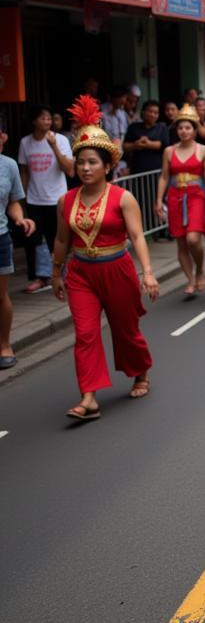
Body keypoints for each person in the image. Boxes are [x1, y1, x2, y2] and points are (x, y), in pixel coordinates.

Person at [51, 96, 159, 421]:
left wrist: (148, 273)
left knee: (125, 330)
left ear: (107, 166)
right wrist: (57, 272)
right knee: (85, 333)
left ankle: (139, 371)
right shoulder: (65, 201)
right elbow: (61, 239)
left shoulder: (123, 198)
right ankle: (89, 397)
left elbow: (138, 236)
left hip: (117, 270)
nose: (85, 168)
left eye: (92, 163)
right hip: (81, 273)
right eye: (81, 162)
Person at [155, 104, 205, 298]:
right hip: (174, 196)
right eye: (180, 128)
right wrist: (158, 201)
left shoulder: (204, 150)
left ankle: (199, 269)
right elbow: (164, 176)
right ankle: (190, 279)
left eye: (188, 127)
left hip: (196, 195)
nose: (184, 131)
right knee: (181, 242)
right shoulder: (169, 151)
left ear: (195, 129)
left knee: (193, 238)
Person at [18, 105, 74, 292]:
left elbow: (69, 169)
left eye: (49, 118)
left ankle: (62, 274)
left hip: (57, 198)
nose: (47, 121)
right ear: (34, 121)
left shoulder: (61, 139)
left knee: (58, 239)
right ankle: (42, 277)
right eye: (43, 118)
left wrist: (54, 147)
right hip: (34, 199)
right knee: (34, 240)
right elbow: (24, 171)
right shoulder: (25, 142)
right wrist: (22, 197)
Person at [0, 117, 36, 369]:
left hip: (0, 238)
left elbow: (13, 201)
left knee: (0, 296)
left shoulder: (9, 165)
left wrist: (20, 218)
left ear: (3, 136)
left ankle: (4, 345)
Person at [123, 100, 170, 175]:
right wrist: (135, 145)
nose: (152, 115)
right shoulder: (134, 127)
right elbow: (125, 146)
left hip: (157, 170)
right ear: (143, 112)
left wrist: (149, 144)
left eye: (155, 113)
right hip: (137, 170)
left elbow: (164, 145)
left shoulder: (162, 127)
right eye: (150, 111)